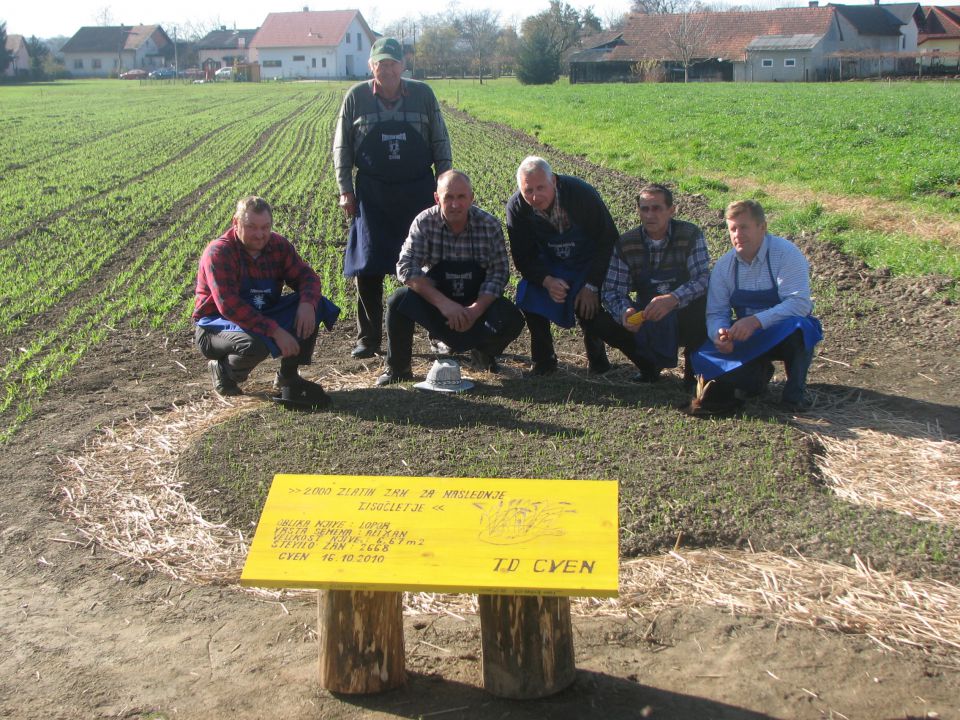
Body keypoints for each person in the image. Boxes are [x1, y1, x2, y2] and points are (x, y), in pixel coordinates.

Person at [333, 37, 453, 360]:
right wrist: (346, 190)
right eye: (381, 64)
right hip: (372, 194)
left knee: (428, 263)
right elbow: (342, 147)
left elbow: (440, 141)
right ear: (371, 66)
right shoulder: (356, 98)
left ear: (403, 65)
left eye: (393, 63)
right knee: (367, 265)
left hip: (417, 191)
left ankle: (436, 333)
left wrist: (444, 187)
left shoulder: (423, 95)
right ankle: (368, 338)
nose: (387, 70)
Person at [376, 170, 525, 386]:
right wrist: (445, 305)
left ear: (472, 198)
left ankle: (483, 353)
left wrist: (475, 311)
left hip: (475, 300)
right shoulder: (424, 222)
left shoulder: (489, 225)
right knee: (398, 301)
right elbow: (405, 267)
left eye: (461, 197)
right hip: (438, 302)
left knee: (512, 317)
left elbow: (499, 273)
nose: (455, 204)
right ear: (438, 198)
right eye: (449, 197)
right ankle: (399, 368)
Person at [193, 196, 336, 408]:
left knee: (317, 306)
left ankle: (288, 375)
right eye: (251, 227)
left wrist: (307, 304)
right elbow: (229, 305)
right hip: (216, 324)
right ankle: (224, 371)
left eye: (265, 227)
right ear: (236, 223)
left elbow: (307, 277)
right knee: (255, 344)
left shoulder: (278, 245)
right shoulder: (219, 252)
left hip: (262, 313)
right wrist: (275, 331)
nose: (259, 235)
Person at [690, 199, 822, 414]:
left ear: (762, 227)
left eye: (744, 227)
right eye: (732, 229)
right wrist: (719, 334)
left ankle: (794, 395)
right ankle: (756, 378)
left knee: (801, 327)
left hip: (781, 331)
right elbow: (716, 312)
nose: (737, 234)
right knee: (703, 358)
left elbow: (800, 304)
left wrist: (757, 321)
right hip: (746, 337)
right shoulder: (725, 267)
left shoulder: (786, 254)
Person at [580, 183, 710, 385]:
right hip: (645, 314)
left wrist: (673, 299)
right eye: (645, 209)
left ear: (671, 210)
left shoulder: (689, 234)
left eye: (657, 208)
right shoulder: (626, 243)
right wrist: (625, 311)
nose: (650, 215)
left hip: (681, 310)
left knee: (705, 304)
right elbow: (612, 289)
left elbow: (703, 278)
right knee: (598, 320)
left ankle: (693, 372)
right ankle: (648, 366)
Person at [505, 156, 617, 375]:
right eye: (528, 191)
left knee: (589, 307)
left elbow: (608, 240)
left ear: (554, 181)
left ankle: (597, 357)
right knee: (529, 294)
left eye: (541, 187)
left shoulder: (581, 194)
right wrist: (547, 280)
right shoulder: (517, 208)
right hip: (551, 266)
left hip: (585, 262)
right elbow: (523, 257)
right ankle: (543, 359)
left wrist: (592, 285)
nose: (535, 196)